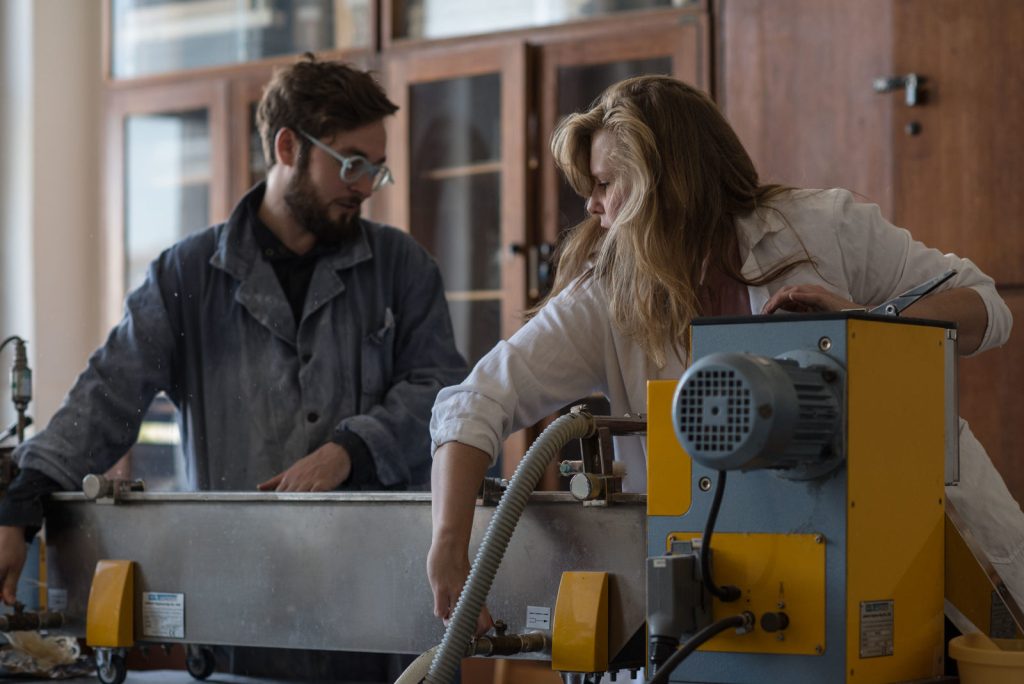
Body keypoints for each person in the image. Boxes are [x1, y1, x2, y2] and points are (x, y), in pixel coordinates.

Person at [426, 75, 1019, 637]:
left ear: (665, 180)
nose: (592, 206)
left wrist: (866, 329)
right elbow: (477, 400)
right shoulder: (608, 297)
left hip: (928, 539)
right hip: (751, 579)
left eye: (606, 183)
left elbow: (987, 308)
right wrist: (450, 543)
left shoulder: (824, 227)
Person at [0, 55, 466, 680]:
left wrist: (350, 449)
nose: (364, 185)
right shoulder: (186, 275)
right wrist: (20, 506)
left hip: (380, 617)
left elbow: (442, 391)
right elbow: (106, 398)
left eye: (375, 169)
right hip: (242, 618)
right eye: (351, 163)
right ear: (287, 147)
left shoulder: (403, 266)